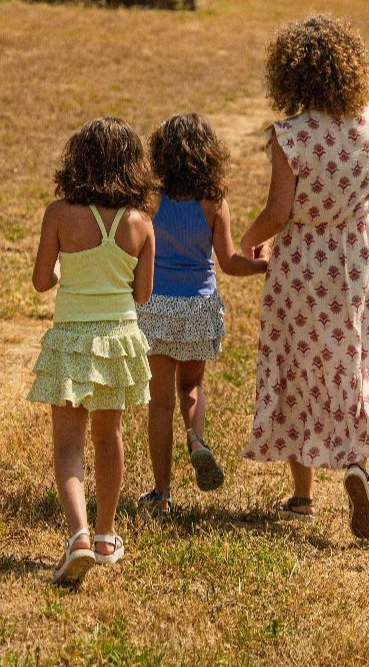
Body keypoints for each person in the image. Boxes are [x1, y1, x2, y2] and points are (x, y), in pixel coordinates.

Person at [237, 16, 369, 540]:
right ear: (347, 73)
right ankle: (357, 463)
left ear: (290, 77)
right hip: (359, 253)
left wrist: (247, 239)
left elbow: (278, 213)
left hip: (302, 261)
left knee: (301, 358)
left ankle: (302, 495)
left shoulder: (290, 136)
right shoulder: (368, 121)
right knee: (354, 353)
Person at [28, 118, 155, 586]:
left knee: (68, 445)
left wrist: (65, 273)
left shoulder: (59, 214)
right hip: (119, 340)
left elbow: (42, 280)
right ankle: (106, 536)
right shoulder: (141, 223)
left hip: (71, 338)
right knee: (109, 437)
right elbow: (142, 296)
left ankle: (77, 535)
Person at [136, 114, 267, 514]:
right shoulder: (214, 202)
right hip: (198, 306)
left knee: (159, 402)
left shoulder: (149, 199)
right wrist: (266, 265)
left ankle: (161, 494)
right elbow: (228, 262)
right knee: (190, 387)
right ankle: (196, 438)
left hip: (156, 305)